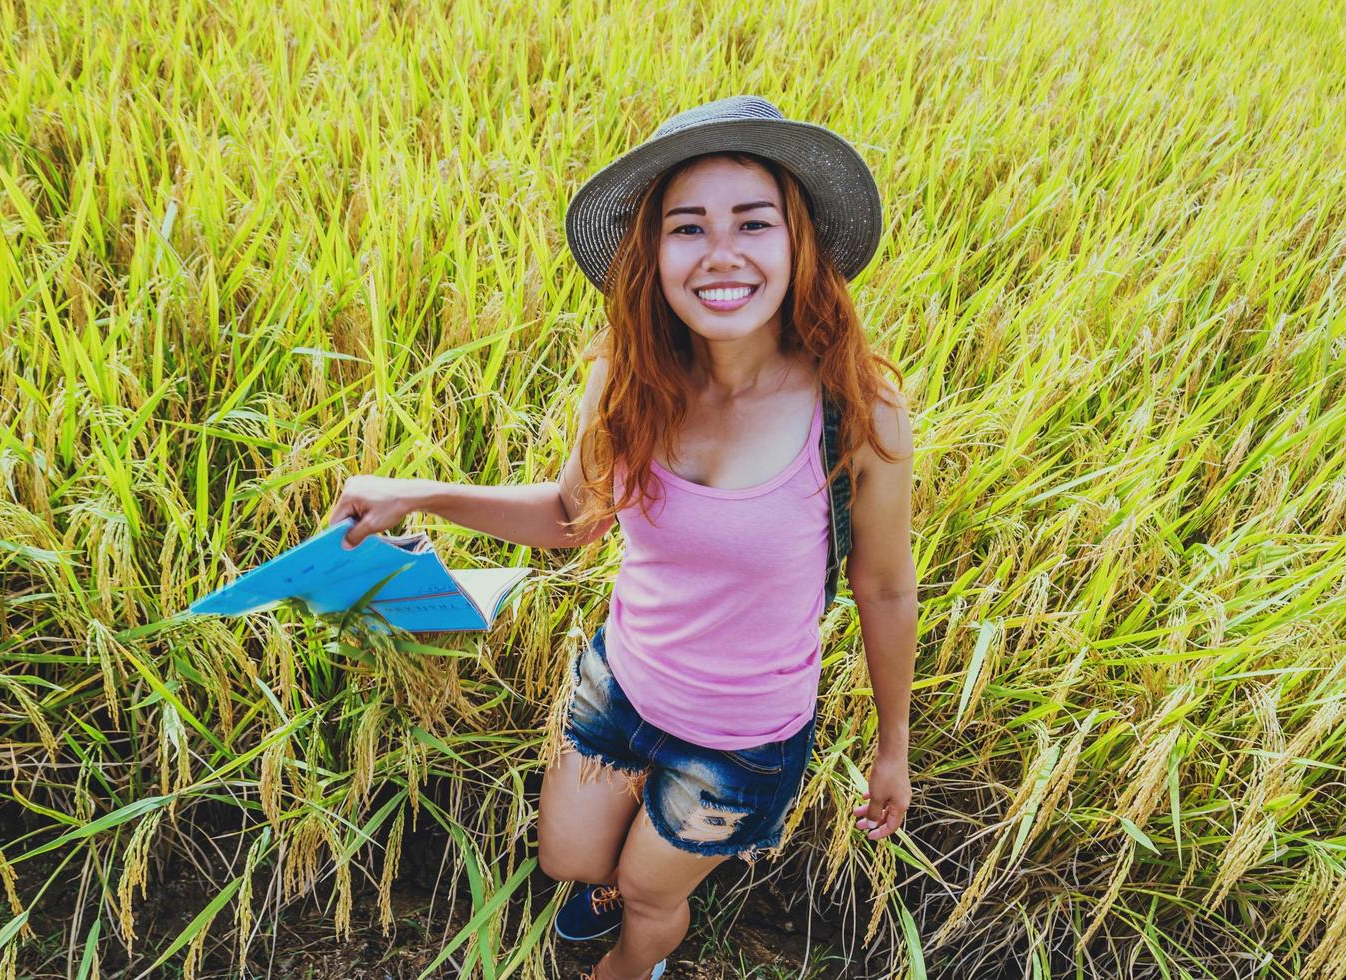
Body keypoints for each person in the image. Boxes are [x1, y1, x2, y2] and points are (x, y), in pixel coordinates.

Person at [325, 95, 918, 980]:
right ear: (655, 252)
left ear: (798, 243)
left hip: (741, 740)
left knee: (650, 895)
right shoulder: (627, 377)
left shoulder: (856, 409)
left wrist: (892, 746)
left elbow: (884, 587)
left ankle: (631, 965)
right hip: (622, 683)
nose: (720, 254)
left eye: (752, 223)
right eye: (688, 228)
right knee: (567, 860)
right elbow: (572, 519)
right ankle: (607, 895)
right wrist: (420, 495)